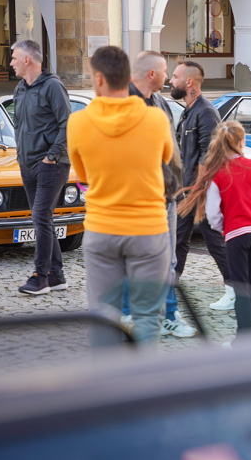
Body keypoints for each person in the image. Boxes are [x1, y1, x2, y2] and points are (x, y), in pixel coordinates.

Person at [67, 46, 173, 342]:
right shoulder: (156, 120)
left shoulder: (78, 123)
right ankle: (143, 382)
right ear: (128, 77)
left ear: (98, 78)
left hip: (102, 229)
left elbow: (84, 176)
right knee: (148, 317)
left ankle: (108, 382)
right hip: (149, 230)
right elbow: (163, 159)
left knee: (103, 316)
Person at [120, 51, 196, 338]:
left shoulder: (161, 103)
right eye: (165, 72)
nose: (168, 77)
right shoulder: (123, 105)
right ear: (152, 74)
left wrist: (177, 184)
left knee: (168, 259)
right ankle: (128, 315)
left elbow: (171, 149)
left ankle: (169, 315)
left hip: (166, 196)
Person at [178, 121, 251, 346]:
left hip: (236, 234)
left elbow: (213, 213)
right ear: (241, 142)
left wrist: (225, 229)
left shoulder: (217, 174)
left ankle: (243, 341)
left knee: (240, 287)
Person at [170, 60, 235, 311]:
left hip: (202, 191)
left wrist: (197, 191)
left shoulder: (205, 112)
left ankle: (236, 290)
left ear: (189, 82)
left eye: (175, 76)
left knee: (214, 240)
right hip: (188, 190)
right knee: (178, 240)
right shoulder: (188, 110)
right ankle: (169, 291)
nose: (171, 81)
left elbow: (211, 155)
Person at [9, 39, 72, 295]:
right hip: (27, 164)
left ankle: (41, 277)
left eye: (14, 58)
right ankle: (56, 276)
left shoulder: (53, 87)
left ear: (28, 60)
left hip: (51, 165)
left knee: (40, 217)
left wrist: (52, 156)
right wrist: (21, 155)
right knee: (42, 218)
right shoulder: (20, 89)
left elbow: (67, 124)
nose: (11, 63)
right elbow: (18, 125)